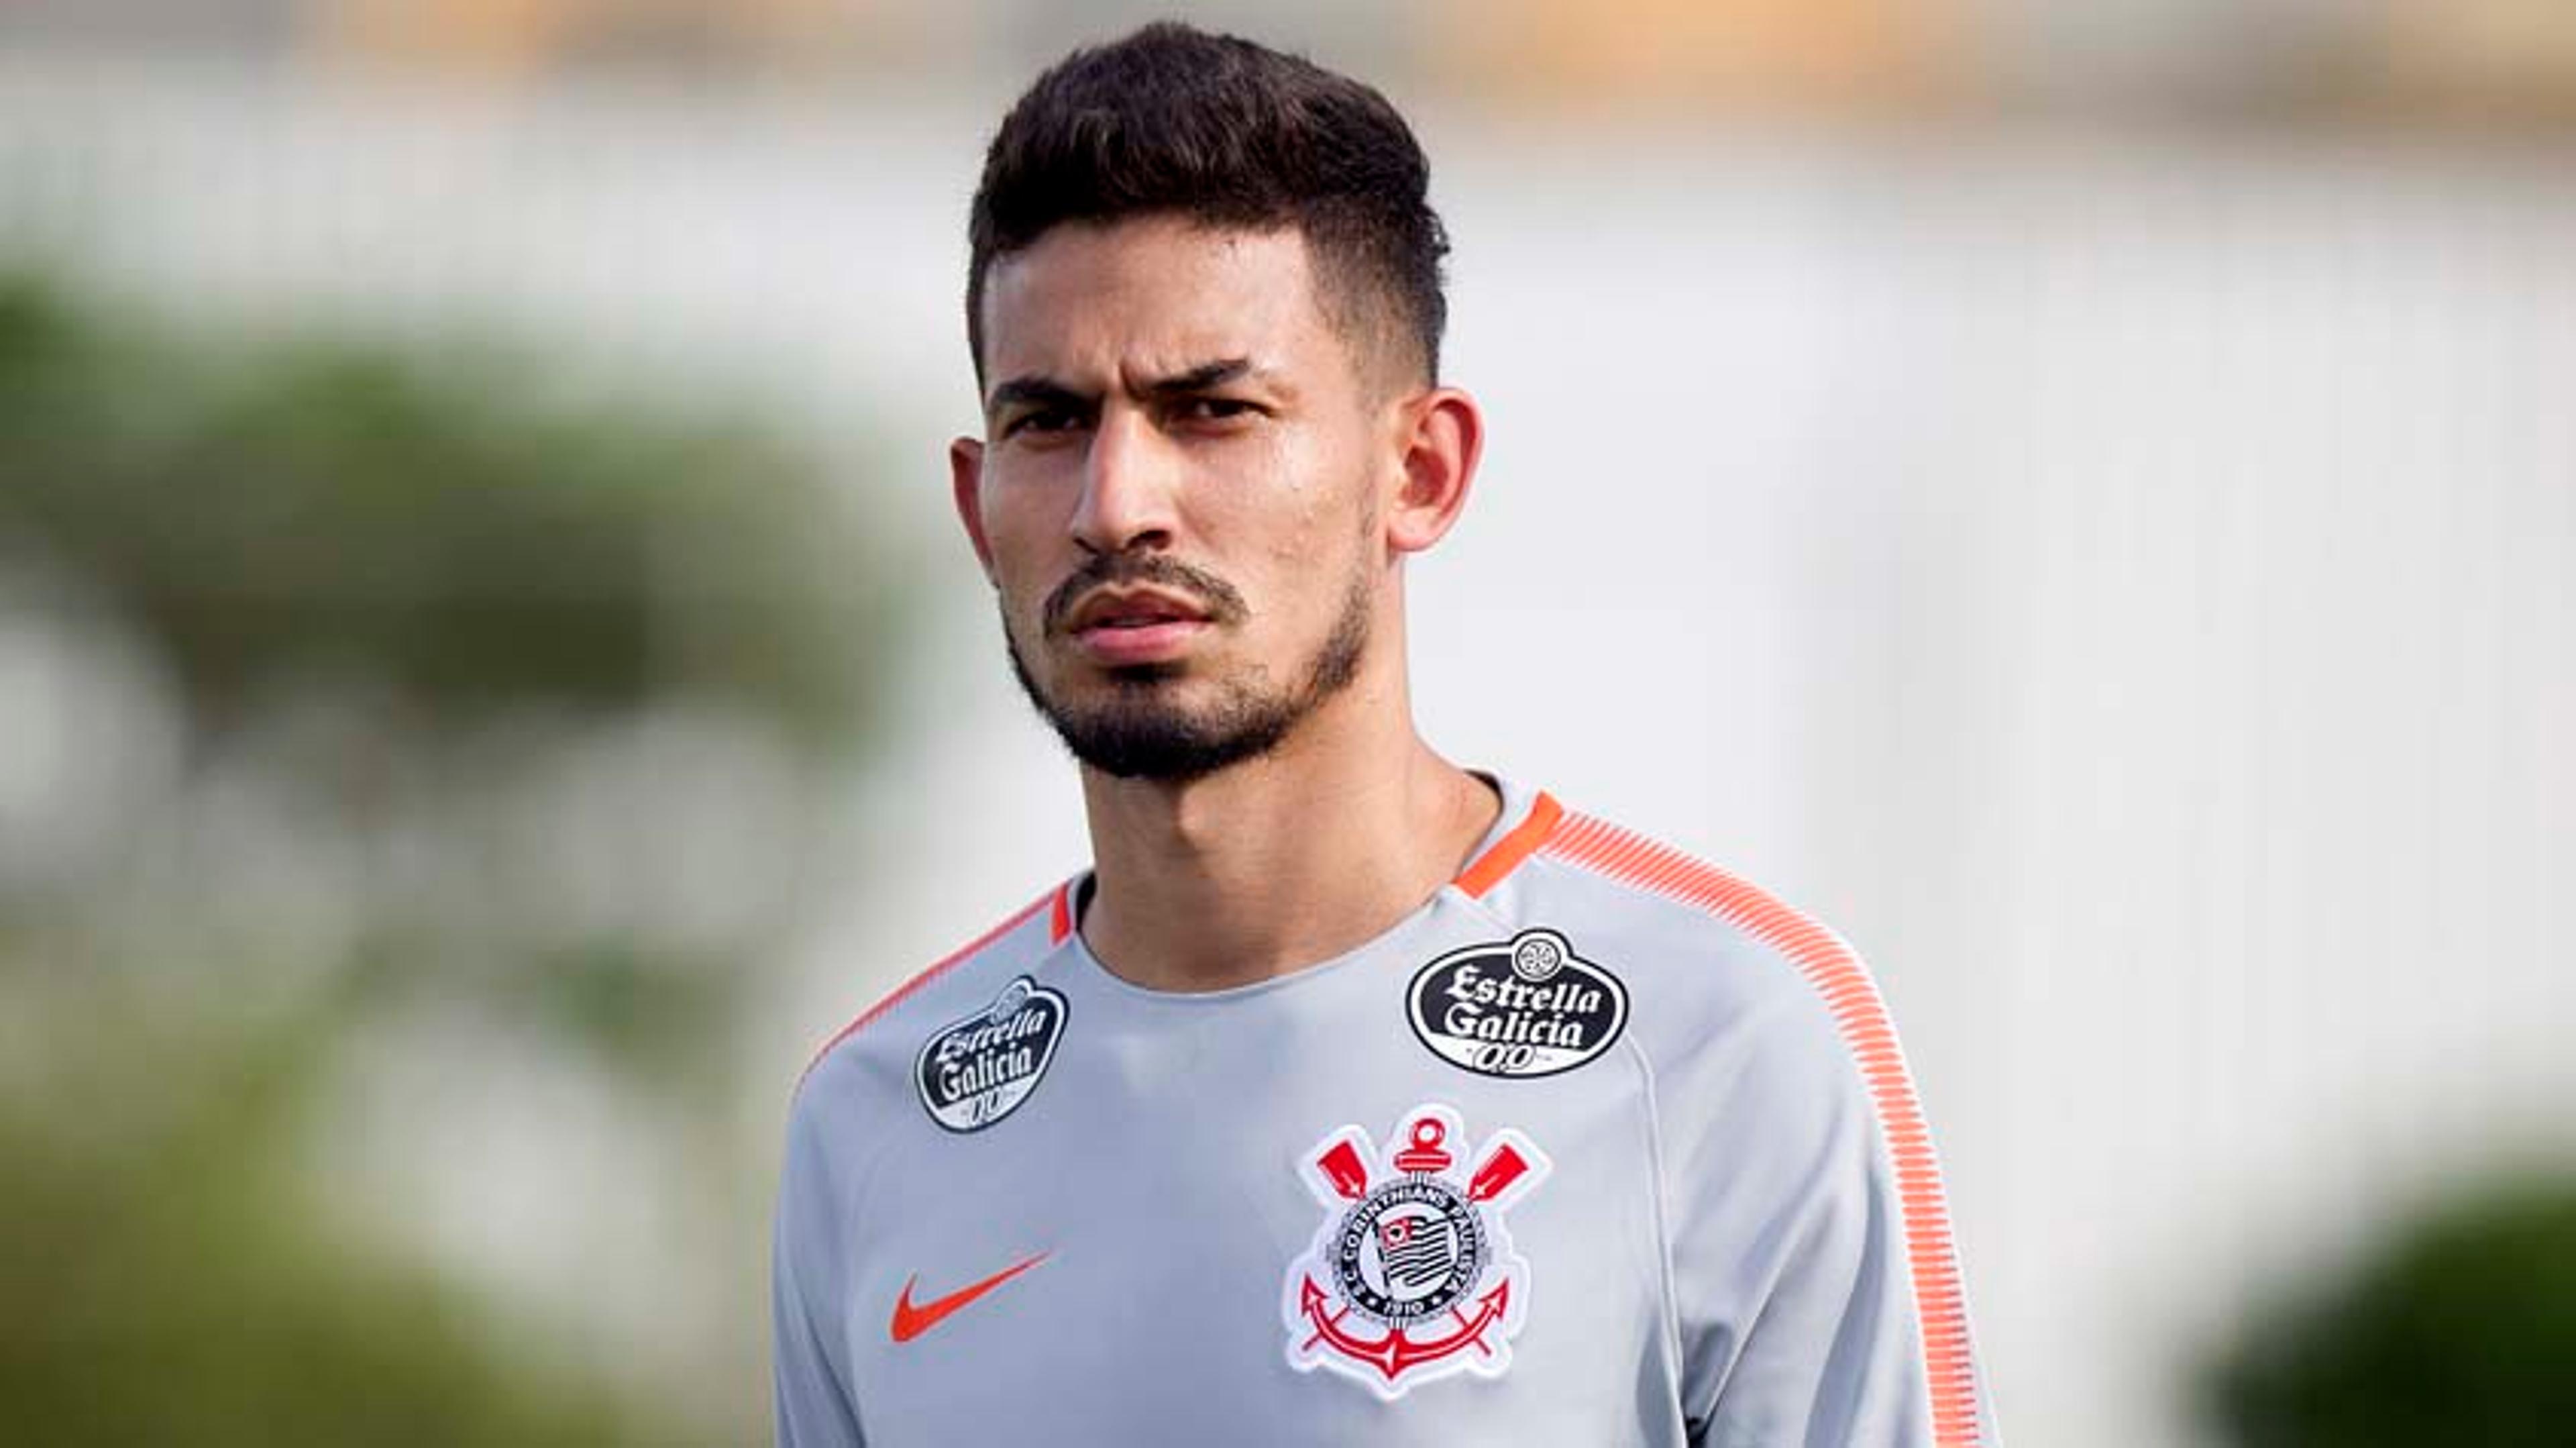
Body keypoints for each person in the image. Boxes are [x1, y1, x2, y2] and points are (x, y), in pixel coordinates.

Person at [773, 21, 1995, 1447]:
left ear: (1419, 469)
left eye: (1212, 409)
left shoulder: (1725, 1042)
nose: (1118, 504)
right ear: (979, 501)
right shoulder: (873, 1123)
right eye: (1050, 420)